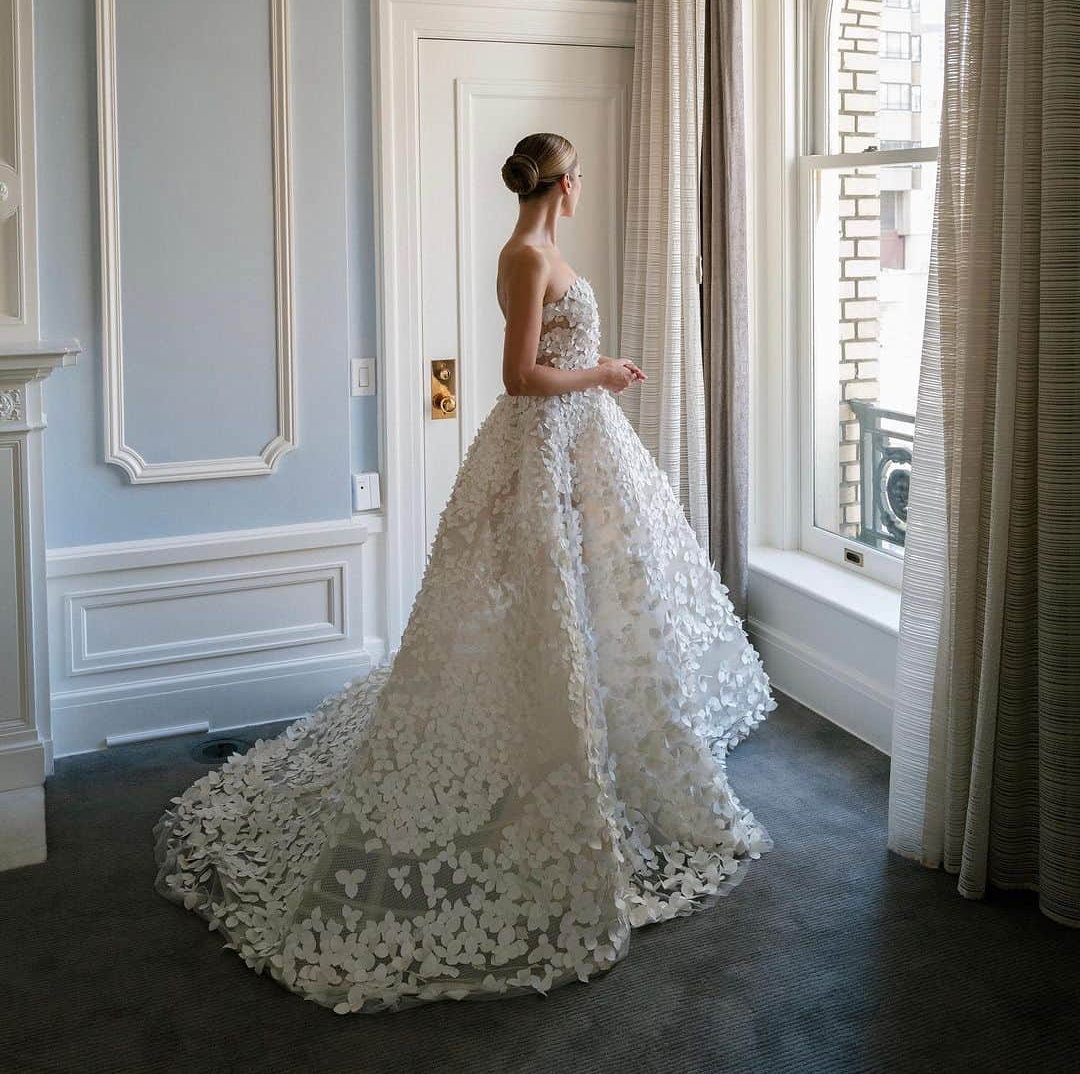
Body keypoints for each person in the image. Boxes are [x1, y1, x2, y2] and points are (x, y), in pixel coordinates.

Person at [153, 131, 777, 1016]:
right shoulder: (526, 256)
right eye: (582, 174)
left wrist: (595, 381)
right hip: (544, 446)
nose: (586, 184)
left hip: (577, 450)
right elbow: (519, 377)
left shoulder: (544, 248)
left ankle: (604, 750)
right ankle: (547, 765)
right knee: (548, 611)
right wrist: (601, 370)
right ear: (565, 184)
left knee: (601, 607)